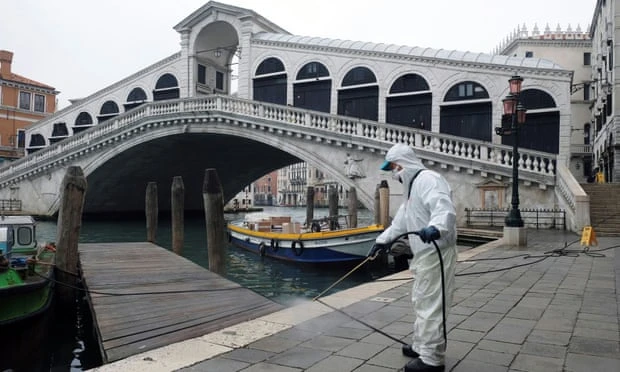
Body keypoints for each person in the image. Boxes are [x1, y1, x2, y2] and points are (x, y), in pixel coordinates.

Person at [369, 143, 457, 372]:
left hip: (435, 251)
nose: (394, 174)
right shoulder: (411, 189)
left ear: (403, 164)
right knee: (421, 300)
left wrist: (436, 228)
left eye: (395, 168)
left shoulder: (429, 179)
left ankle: (431, 359)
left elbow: (442, 207)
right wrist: (381, 242)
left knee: (431, 304)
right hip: (422, 254)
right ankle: (421, 345)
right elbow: (401, 222)